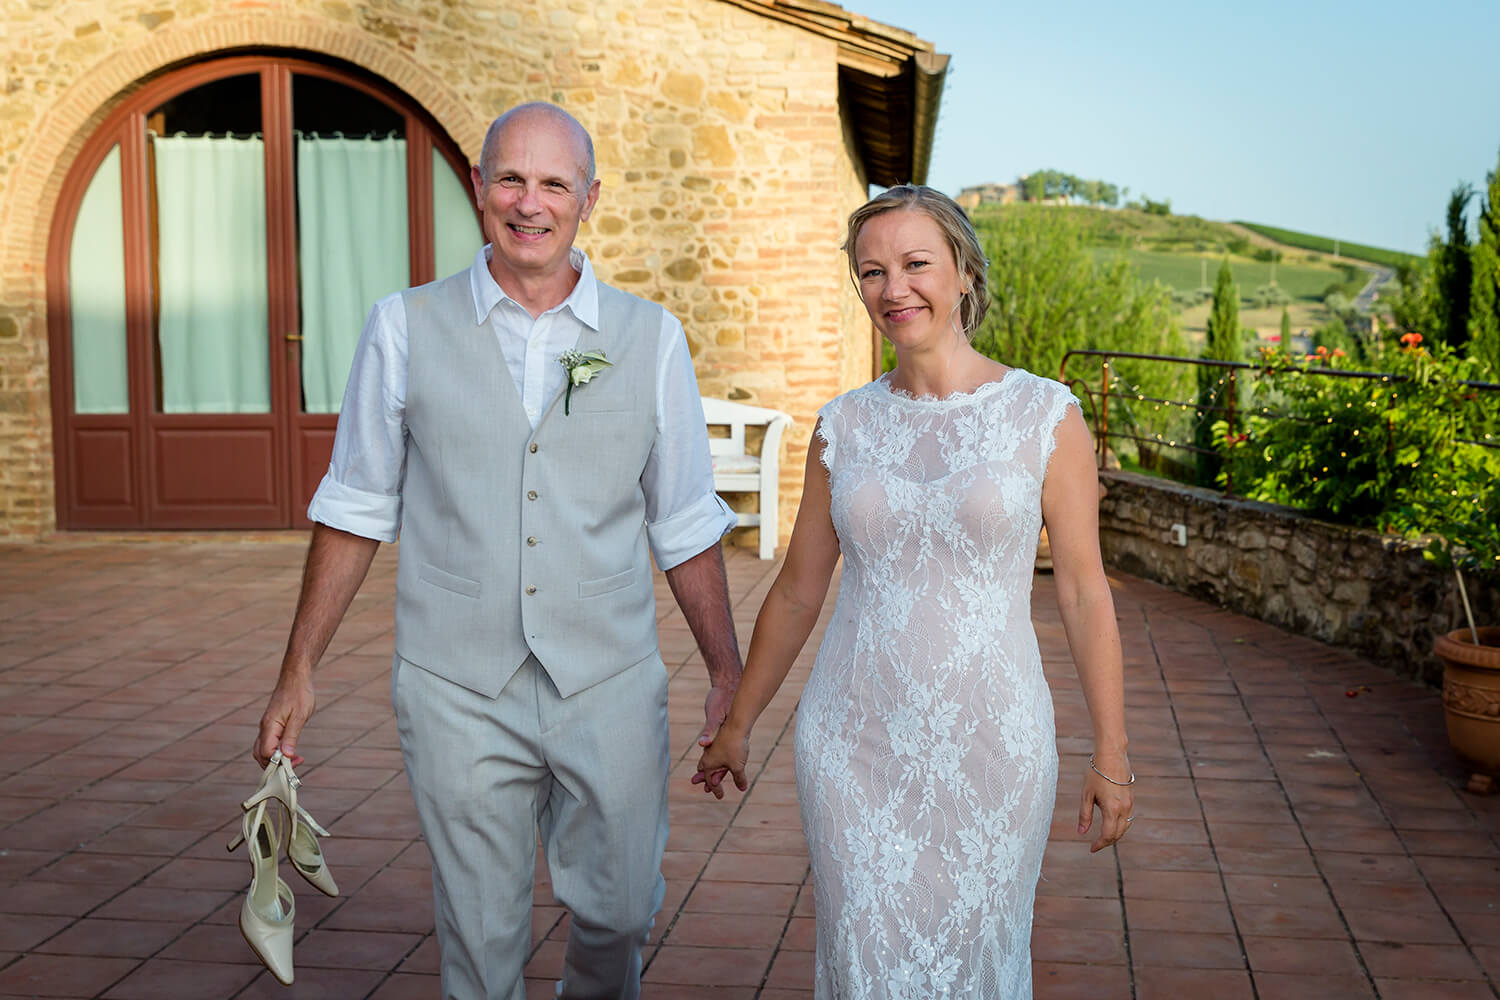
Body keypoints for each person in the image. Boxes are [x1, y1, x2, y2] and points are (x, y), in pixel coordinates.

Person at [253, 102, 743, 1000]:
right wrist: (300, 670)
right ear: (478, 189)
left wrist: (725, 671)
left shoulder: (652, 337)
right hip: (455, 680)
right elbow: (356, 506)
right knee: (480, 934)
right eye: (510, 178)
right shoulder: (402, 326)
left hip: (607, 677)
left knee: (621, 907)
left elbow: (681, 521)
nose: (531, 202)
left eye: (554, 182)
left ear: (588, 199)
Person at [695, 185, 1133, 998]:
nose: (893, 289)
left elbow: (1083, 592)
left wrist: (1112, 754)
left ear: (963, 272)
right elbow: (796, 591)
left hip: (994, 746)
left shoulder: (1045, 416)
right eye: (871, 272)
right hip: (852, 743)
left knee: (980, 961)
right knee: (863, 966)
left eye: (915, 264)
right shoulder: (844, 426)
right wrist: (739, 722)